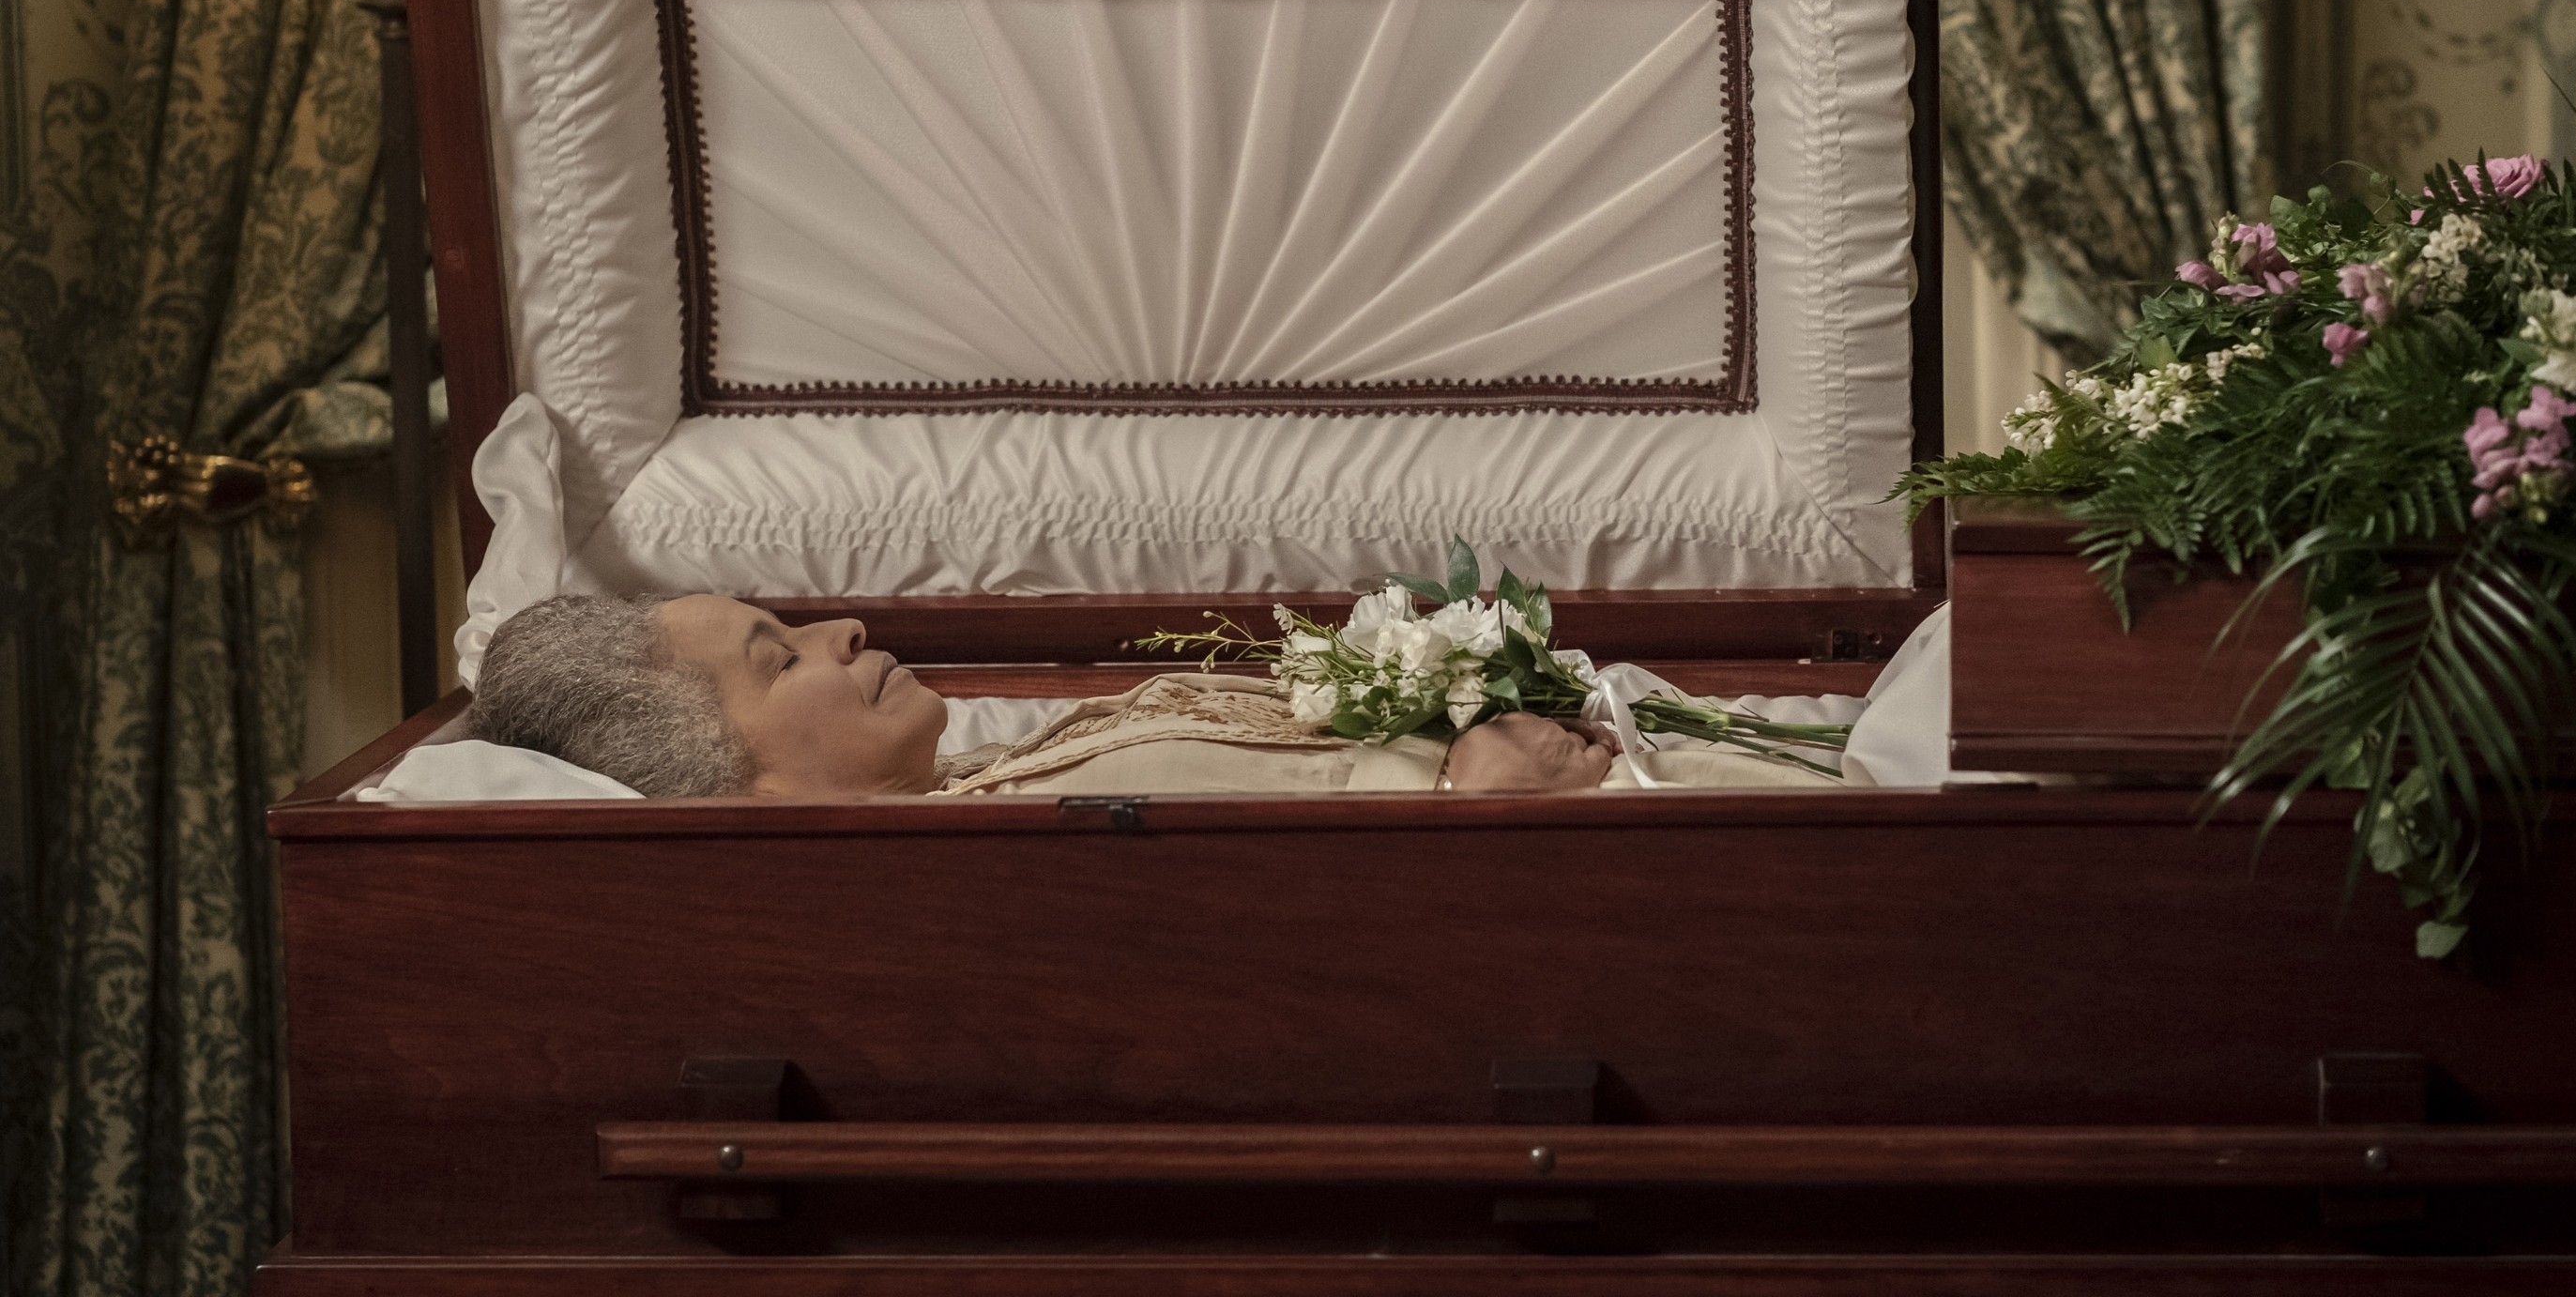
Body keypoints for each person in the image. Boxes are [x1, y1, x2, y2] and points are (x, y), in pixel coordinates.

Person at [469, 592, 1680, 800]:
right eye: (779, 659)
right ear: (735, 791)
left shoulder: (974, 785)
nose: (841, 630)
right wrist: (1466, 809)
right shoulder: (981, 881)